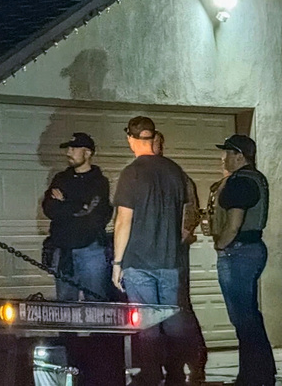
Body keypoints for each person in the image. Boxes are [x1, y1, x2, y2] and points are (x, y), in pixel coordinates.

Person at [112, 116, 190, 386]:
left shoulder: (131, 172)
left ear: (131, 139)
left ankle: (151, 374)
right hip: (169, 259)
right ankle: (177, 374)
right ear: (153, 137)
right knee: (173, 321)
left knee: (146, 323)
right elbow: (183, 216)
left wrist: (117, 263)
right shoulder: (174, 171)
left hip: (138, 261)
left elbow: (123, 221)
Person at [213, 134, 276, 386]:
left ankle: (253, 376)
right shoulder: (255, 178)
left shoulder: (240, 182)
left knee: (243, 319)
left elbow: (234, 222)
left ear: (239, 155)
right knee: (249, 317)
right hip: (251, 250)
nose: (223, 157)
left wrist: (221, 243)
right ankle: (261, 373)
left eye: (227, 152)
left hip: (239, 252)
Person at [153, 131, 207, 386]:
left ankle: (195, 361)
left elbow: (191, 213)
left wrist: (177, 240)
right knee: (158, 313)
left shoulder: (177, 176)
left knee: (179, 309)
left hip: (172, 254)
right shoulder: (142, 175)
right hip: (150, 256)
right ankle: (169, 366)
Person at [41, 132, 112, 301]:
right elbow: (49, 208)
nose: (68, 153)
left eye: (73, 149)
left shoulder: (99, 182)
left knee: (95, 304)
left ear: (87, 153)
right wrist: (76, 205)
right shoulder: (61, 178)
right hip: (64, 251)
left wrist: (65, 202)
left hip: (90, 251)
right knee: (65, 307)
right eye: (68, 149)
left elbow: (93, 214)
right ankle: (67, 329)